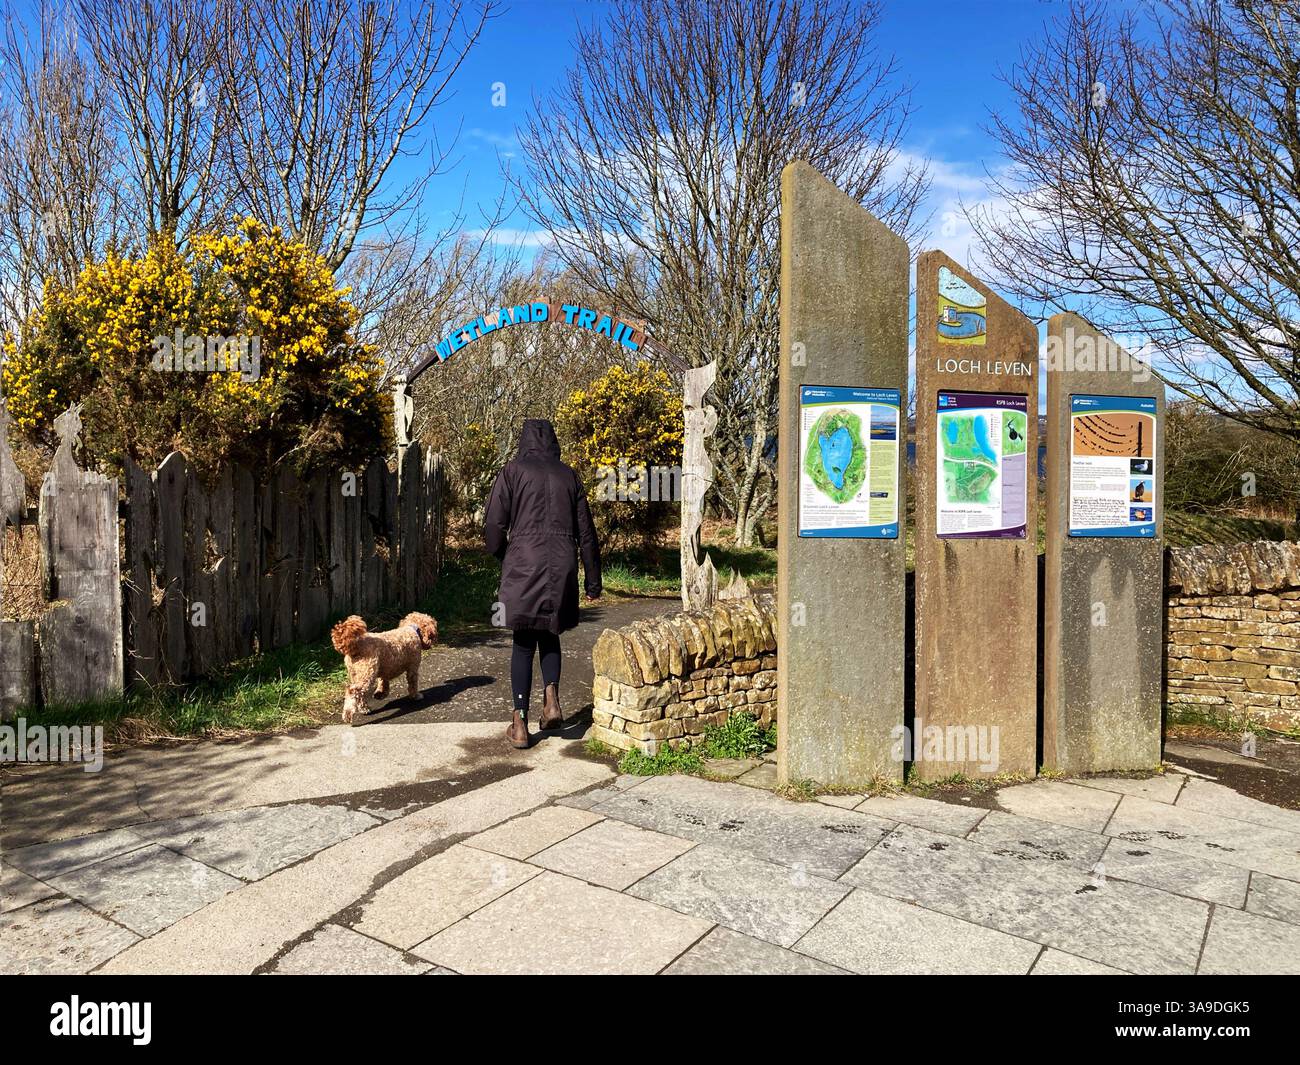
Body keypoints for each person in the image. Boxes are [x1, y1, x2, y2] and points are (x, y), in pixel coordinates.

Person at [484, 419, 602, 749]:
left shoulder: (512, 472)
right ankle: (552, 701)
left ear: (523, 441)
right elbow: (587, 534)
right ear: (553, 442)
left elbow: (493, 525)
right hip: (561, 564)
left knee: (523, 641)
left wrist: (506, 554)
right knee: (551, 632)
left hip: (523, 561)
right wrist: (593, 582)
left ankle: (519, 721)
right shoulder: (569, 475)